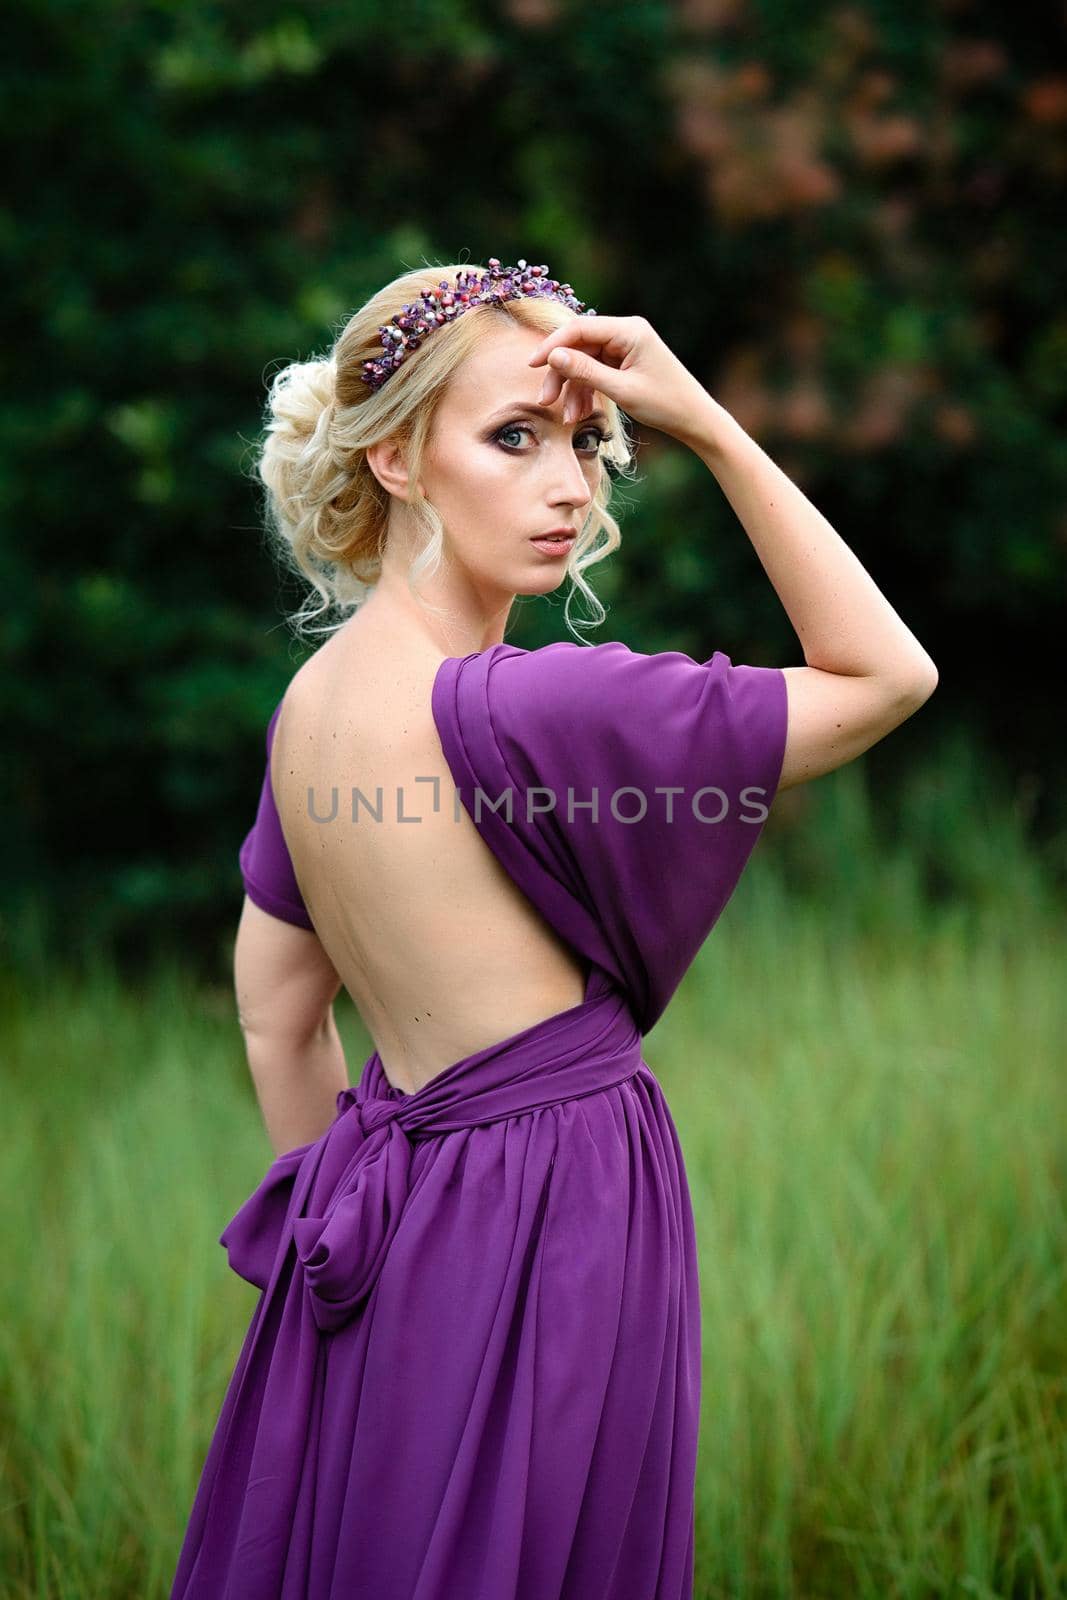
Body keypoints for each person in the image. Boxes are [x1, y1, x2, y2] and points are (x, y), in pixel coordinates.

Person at [169, 259, 937, 1599]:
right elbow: (887, 677)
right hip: (558, 1209)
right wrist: (710, 425)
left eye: (590, 440)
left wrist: (342, 1253)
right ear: (401, 460)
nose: (571, 484)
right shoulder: (530, 709)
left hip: (386, 1211)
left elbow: (276, 1013)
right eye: (513, 437)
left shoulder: (309, 708)